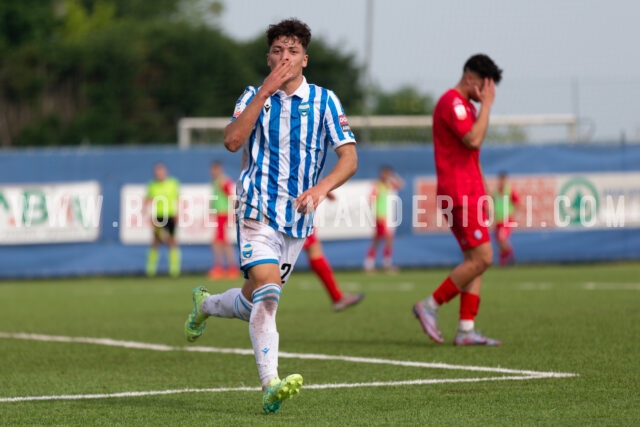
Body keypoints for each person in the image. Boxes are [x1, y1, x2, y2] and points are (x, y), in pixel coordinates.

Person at [183, 19, 358, 414]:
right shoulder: (252, 95)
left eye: (292, 51)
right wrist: (264, 91)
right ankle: (270, 385)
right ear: (268, 57)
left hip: (297, 222)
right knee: (269, 292)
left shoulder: (326, 101)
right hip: (256, 211)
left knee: (252, 302)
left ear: (305, 60)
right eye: (278, 51)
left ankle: (206, 305)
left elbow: (349, 157)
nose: (284, 58)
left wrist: (321, 188)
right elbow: (231, 141)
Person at [413, 54, 503, 346]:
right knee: (484, 257)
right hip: (459, 192)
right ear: (470, 79)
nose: (487, 94)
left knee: (476, 260)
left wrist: (485, 190)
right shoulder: (452, 102)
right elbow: (473, 141)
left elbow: (472, 155)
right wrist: (488, 106)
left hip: (470, 192)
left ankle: (466, 329)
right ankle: (430, 305)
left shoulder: (466, 107)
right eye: (485, 86)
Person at [304, 194, 364, 311]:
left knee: (313, 248)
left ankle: (337, 297)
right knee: (312, 250)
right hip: (293, 207)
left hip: (292, 206)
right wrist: (325, 190)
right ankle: (337, 297)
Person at [364, 165, 404, 273]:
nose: (385, 175)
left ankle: (369, 264)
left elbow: (401, 185)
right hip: (380, 216)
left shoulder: (387, 185)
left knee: (377, 241)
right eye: (384, 173)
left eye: (387, 173)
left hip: (384, 216)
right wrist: (372, 215)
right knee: (387, 239)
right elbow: (371, 199)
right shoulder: (377, 186)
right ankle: (386, 264)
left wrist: (393, 175)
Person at [145, 162, 181, 277]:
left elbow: (178, 199)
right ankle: (150, 271)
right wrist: (146, 214)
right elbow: (147, 199)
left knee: (172, 241)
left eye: (161, 171)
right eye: (157, 172)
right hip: (158, 216)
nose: (159, 174)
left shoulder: (173, 183)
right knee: (156, 242)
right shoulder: (152, 185)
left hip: (170, 215)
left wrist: (178, 214)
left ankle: (174, 271)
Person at [208, 160, 240, 279]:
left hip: (224, 214)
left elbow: (231, 196)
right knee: (221, 242)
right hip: (220, 214)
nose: (212, 172)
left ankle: (223, 267)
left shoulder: (222, 181)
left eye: (215, 169)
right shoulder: (216, 181)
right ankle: (228, 267)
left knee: (219, 242)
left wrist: (233, 212)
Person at [492, 171, 519, 266]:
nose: (501, 181)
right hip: (498, 220)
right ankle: (503, 263)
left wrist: (512, 214)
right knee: (499, 242)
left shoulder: (510, 191)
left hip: (507, 220)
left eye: (503, 179)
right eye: (500, 179)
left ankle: (511, 258)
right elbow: (492, 205)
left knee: (501, 239)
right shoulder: (495, 192)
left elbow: (517, 203)